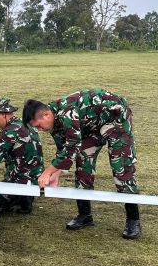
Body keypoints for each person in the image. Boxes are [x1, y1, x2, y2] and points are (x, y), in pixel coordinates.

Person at [22, 89, 142, 239]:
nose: (39, 130)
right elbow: (64, 150)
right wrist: (56, 174)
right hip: (92, 126)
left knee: (121, 168)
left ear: (46, 115)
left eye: (38, 126)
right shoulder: (53, 121)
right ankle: (84, 214)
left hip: (116, 118)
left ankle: (133, 220)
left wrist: (47, 172)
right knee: (83, 163)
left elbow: (72, 146)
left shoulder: (67, 113)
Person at [0, 98, 44, 216]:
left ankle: (11, 199)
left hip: (18, 182)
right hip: (35, 180)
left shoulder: (10, 131)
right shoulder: (26, 124)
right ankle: (24, 200)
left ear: (3, 115)